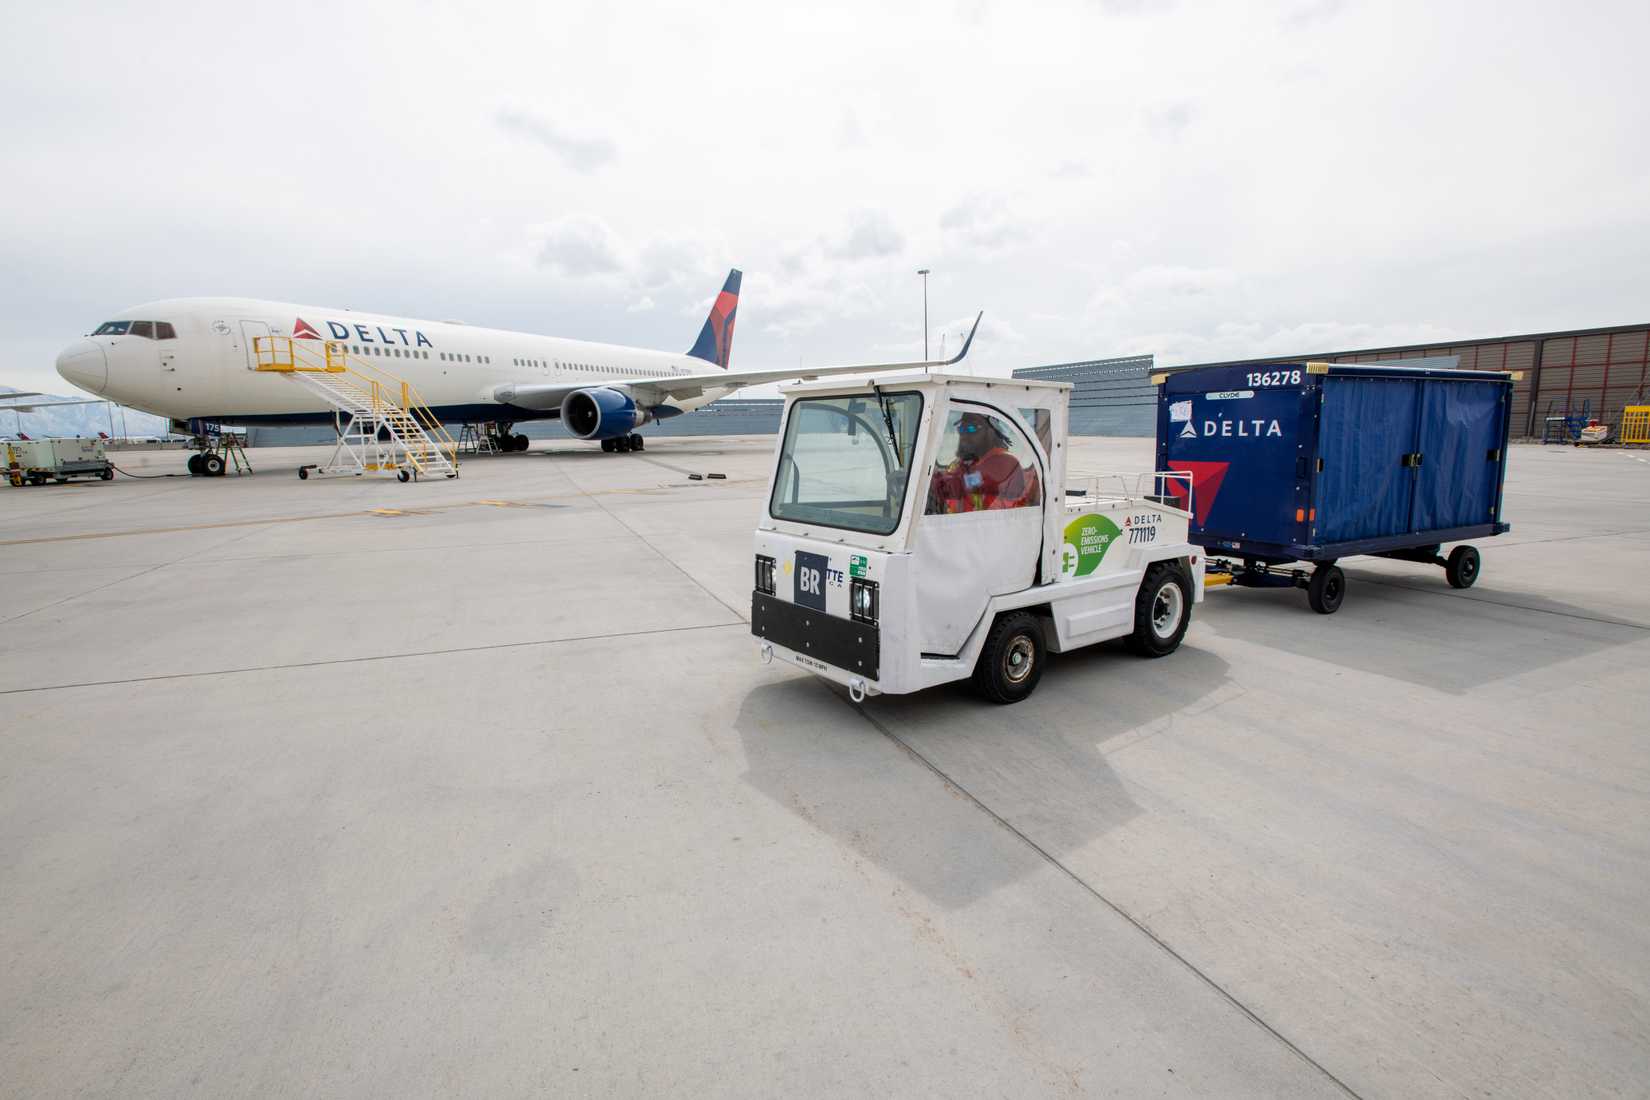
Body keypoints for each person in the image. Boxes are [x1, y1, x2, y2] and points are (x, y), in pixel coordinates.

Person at [927, 412, 1040, 513]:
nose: (964, 435)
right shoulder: (967, 462)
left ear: (991, 431)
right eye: (962, 429)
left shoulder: (1005, 462)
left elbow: (966, 482)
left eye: (972, 428)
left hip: (997, 530)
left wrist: (937, 482)